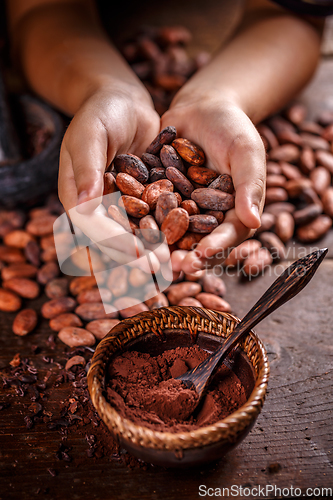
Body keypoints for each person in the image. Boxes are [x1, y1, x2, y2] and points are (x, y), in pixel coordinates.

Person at [6, 0, 328, 275]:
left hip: (239, 58)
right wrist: (106, 91)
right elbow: (43, 11)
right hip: (80, 56)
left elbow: (293, 15)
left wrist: (219, 98)